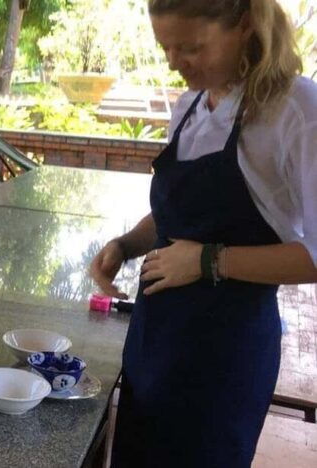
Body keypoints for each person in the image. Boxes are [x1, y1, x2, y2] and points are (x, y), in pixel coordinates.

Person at [89, 1, 317, 466]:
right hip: (155, 344)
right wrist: (127, 245)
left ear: (244, 26)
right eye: (166, 47)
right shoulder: (190, 106)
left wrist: (209, 261)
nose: (175, 62)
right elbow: (177, 214)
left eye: (191, 47)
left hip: (224, 358)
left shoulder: (295, 110)